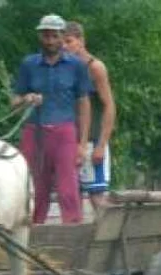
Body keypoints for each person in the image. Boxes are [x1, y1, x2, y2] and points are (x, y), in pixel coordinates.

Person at [12, 14, 91, 224]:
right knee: (34, 187)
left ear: (62, 36)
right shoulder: (29, 64)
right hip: (34, 131)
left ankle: (73, 236)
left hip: (64, 131)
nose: (50, 41)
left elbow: (84, 104)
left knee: (68, 189)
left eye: (54, 36)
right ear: (40, 36)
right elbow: (14, 101)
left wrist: (82, 144)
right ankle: (31, 233)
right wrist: (26, 99)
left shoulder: (76, 65)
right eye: (45, 36)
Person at [63, 20, 117, 214]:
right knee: (71, 195)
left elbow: (109, 106)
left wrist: (102, 145)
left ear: (80, 41)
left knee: (97, 196)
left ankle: (108, 237)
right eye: (62, 43)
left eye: (68, 41)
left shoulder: (95, 68)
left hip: (92, 141)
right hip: (69, 140)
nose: (64, 46)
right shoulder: (64, 69)